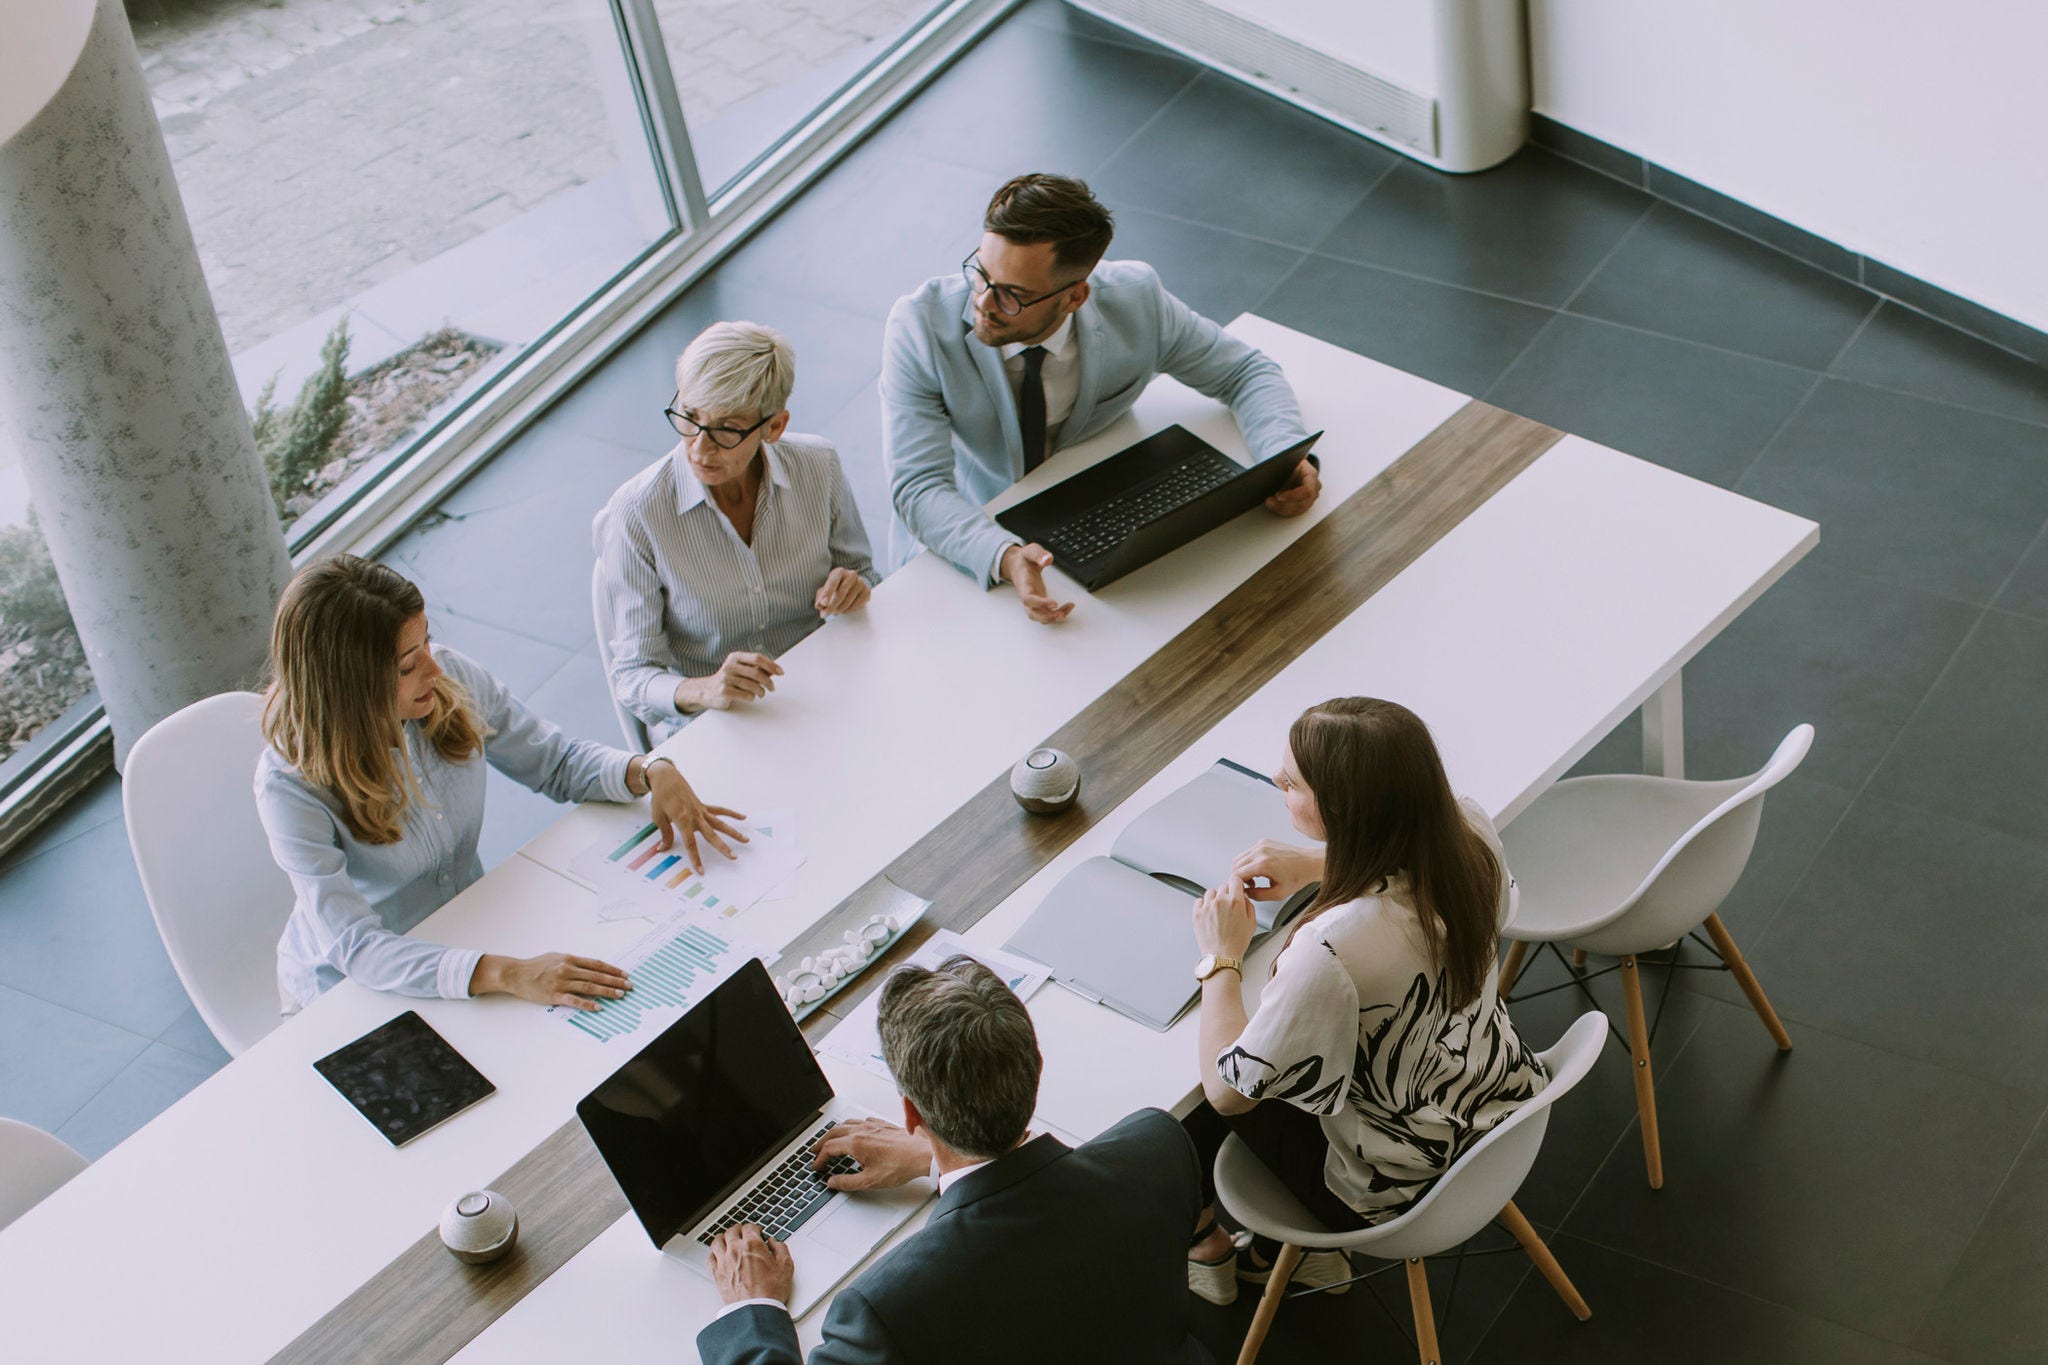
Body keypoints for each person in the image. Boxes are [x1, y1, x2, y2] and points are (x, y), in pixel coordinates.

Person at [257, 555, 744, 1014]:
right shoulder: (289, 786)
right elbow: (356, 947)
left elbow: (553, 762)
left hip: (470, 933)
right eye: (407, 665)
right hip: (357, 993)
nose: (434, 668)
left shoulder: (448, 681)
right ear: (348, 687)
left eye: (425, 642)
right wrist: (508, 973)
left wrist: (649, 770)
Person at [1181, 697, 1549, 1305]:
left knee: (1188, 1102)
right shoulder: (1472, 832)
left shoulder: (1331, 949)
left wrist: (1220, 956)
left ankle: (1221, 1246)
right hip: (1492, 1101)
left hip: (1391, 1187)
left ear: (1344, 809)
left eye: (1292, 781)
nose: (1276, 781)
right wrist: (1319, 862)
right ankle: (1278, 1256)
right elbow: (1422, 850)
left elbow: (1228, 1092)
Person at [697, 956, 1213, 1365]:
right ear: (1035, 1068)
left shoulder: (885, 1309)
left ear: (909, 1112)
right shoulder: (1158, 1146)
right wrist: (937, 1158)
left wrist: (752, 1308)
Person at [881, 172, 1321, 622]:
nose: (984, 303)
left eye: (1013, 295)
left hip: (1100, 503)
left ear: (1075, 296)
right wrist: (1004, 555)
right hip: (978, 526)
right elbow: (919, 487)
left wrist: (1282, 456)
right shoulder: (919, 326)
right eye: (980, 272)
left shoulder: (1136, 299)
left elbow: (1245, 371)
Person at [596, 321, 879, 741]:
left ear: (774, 427)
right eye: (690, 417)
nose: (699, 448)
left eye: (726, 429)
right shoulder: (638, 513)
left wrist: (856, 586)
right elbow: (634, 677)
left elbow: (864, 572)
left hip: (828, 686)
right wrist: (705, 689)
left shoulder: (819, 466)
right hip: (716, 725)